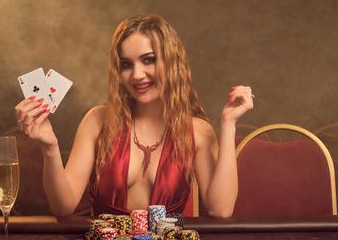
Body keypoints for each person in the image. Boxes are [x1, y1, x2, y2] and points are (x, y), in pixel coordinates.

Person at [15, 14, 254, 218]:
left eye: (148, 60)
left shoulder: (198, 131)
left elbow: (221, 210)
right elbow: (63, 206)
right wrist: (50, 147)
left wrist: (228, 124)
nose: (137, 75)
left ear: (172, 61)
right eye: (126, 64)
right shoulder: (97, 121)